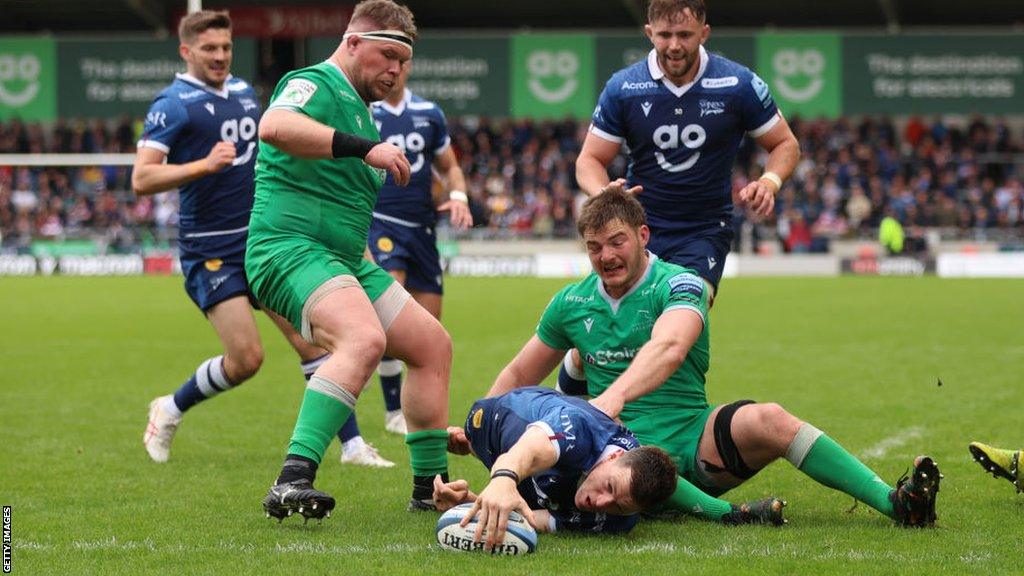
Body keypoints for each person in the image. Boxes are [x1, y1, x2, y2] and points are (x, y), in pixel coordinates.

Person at [488, 189, 942, 528]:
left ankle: (896, 503)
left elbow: (670, 348)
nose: (606, 256)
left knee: (771, 419)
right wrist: (478, 422)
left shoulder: (680, 284)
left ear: (643, 236)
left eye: (617, 241)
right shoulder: (570, 302)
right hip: (616, 450)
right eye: (593, 247)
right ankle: (730, 514)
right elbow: (518, 373)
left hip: (693, 432)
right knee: (589, 404)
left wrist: (611, 397)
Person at [246, 0, 453, 522]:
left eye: (404, 64)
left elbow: (341, 210)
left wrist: (361, 267)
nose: (395, 72)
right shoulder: (314, 81)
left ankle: (430, 489)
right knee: (364, 340)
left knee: (432, 345)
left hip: (341, 258)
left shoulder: (362, 112)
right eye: (387, 57)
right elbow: (273, 126)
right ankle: (291, 480)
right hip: (286, 248)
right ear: (353, 42)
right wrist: (366, 148)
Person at [563, 0, 801, 393]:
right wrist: (600, 189)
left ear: (704, 33)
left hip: (703, 232)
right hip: (639, 231)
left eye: (685, 35)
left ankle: (646, 417)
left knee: (675, 323)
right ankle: (567, 406)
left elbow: (785, 144)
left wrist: (770, 181)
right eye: (665, 35)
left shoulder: (737, 84)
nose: (674, 45)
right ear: (649, 33)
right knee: (605, 336)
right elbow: (589, 159)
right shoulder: (624, 87)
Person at [133, 10, 330, 464]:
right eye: (209, 49)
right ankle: (170, 407)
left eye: (226, 47)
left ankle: (356, 446)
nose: (221, 56)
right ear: (187, 51)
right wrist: (204, 164)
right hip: (211, 248)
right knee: (246, 359)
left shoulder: (243, 92)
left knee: (312, 344)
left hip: (259, 240)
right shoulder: (173, 103)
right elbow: (142, 178)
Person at [334, 60, 473, 465]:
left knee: (427, 333)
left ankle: (418, 426)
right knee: (387, 313)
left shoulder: (429, 113)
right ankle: (393, 411)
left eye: (402, 61)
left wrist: (460, 196)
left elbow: (450, 167)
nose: (394, 69)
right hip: (380, 224)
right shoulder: (364, 113)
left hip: (423, 231)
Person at [434, 386, 678, 549]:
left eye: (618, 506)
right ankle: (468, 444)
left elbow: (532, 520)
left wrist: (471, 505)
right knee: (524, 460)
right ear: (613, 456)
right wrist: (503, 480)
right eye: (610, 486)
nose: (601, 503)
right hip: (496, 421)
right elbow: (526, 450)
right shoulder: (578, 429)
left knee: (543, 493)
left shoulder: (621, 521)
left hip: (556, 460)